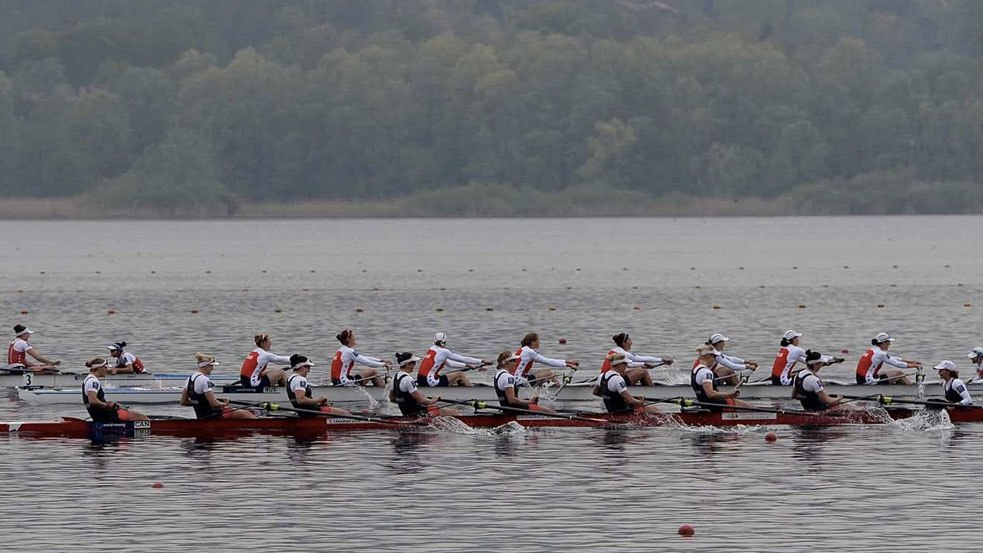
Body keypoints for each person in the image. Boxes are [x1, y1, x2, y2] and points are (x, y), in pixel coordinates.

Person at [181, 353, 255, 420]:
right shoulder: (204, 380)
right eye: (211, 366)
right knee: (247, 414)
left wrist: (198, 402)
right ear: (206, 366)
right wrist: (224, 404)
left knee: (238, 412)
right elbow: (213, 403)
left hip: (201, 416)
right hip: (214, 415)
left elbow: (183, 402)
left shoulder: (188, 379)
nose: (212, 368)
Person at [389, 352, 456, 416]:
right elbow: (421, 400)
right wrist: (434, 399)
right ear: (407, 364)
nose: (415, 365)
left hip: (406, 412)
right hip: (418, 412)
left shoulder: (394, 377)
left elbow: (392, 398)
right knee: (452, 412)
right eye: (414, 363)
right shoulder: (408, 379)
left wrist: (406, 400)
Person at [82, 358, 148, 423]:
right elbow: (93, 401)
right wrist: (107, 405)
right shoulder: (93, 381)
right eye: (105, 367)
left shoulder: (89, 379)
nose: (107, 370)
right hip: (105, 415)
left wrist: (109, 404)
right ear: (100, 368)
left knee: (131, 413)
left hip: (101, 414)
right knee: (143, 418)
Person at [691, 345, 755, 410]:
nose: (715, 359)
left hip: (705, 403)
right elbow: (710, 394)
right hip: (716, 404)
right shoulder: (707, 372)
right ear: (707, 356)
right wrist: (730, 393)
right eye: (714, 357)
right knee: (751, 407)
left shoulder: (695, 370)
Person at [593, 354, 661, 414]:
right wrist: (641, 402)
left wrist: (614, 397)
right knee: (654, 410)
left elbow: (595, 392)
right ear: (619, 364)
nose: (626, 366)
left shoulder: (601, 376)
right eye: (625, 364)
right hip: (624, 412)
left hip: (611, 411)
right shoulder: (618, 379)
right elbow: (630, 401)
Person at [286, 354, 352, 417]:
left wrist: (317, 403)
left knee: (345, 410)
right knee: (345, 413)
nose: (309, 370)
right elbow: (300, 400)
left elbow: (300, 400)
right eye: (308, 367)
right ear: (301, 367)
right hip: (311, 413)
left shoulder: (290, 378)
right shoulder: (300, 379)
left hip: (305, 411)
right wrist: (318, 400)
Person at [599, 332, 673, 386]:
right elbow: (641, 358)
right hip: (611, 381)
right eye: (629, 340)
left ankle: (646, 387)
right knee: (643, 371)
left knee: (638, 369)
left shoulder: (614, 350)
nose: (631, 343)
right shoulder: (623, 353)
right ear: (623, 343)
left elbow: (629, 364)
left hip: (604, 379)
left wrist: (643, 364)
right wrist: (663, 360)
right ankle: (652, 390)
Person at [416, 332, 483, 387]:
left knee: (454, 378)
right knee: (460, 374)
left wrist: (466, 365)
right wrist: (481, 361)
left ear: (434, 340)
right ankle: (471, 389)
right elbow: (463, 359)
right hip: (429, 382)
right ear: (445, 341)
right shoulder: (444, 351)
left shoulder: (431, 349)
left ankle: (461, 384)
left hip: (420, 380)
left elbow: (450, 364)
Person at [513, 332, 578, 386]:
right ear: (533, 342)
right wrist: (568, 365)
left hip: (516, 378)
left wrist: (567, 361)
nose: (539, 343)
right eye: (538, 341)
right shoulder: (529, 352)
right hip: (519, 380)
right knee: (549, 374)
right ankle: (561, 390)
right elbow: (548, 361)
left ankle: (546, 388)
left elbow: (548, 360)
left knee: (544, 373)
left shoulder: (523, 350)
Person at [855, 332, 921, 385]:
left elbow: (892, 358)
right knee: (899, 373)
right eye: (888, 342)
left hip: (861, 378)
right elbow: (897, 364)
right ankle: (911, 389)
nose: (890, 344)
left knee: (887, 373)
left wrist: (912, 362)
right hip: (869, 381)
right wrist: (915, 366)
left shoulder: (873, 350)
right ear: (883, 343)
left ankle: (901, 385)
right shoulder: (880, 353)